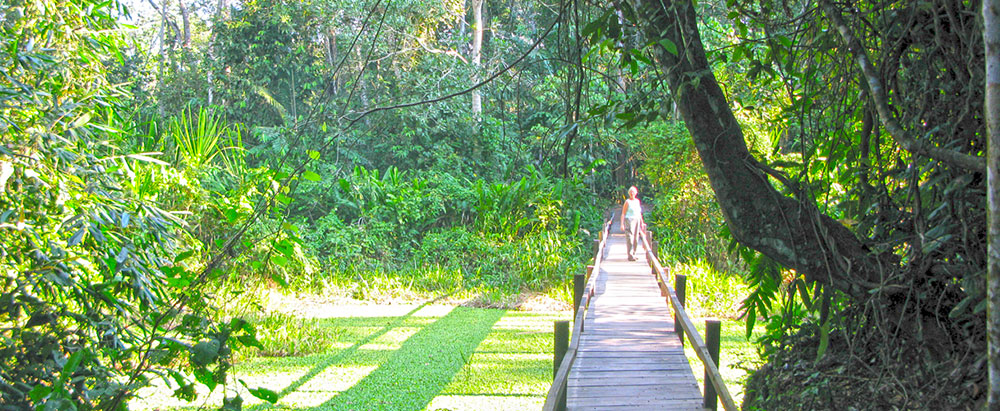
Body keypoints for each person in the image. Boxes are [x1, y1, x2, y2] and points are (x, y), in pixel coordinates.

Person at [620, 186, 644, 261]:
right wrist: (622, 224)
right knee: (630, 237)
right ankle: (630, 255)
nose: (632, 193)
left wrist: (642, 222)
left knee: (636, 238)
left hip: (637, 219)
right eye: (631, 192)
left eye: (633, 192)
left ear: (636, 193)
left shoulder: (637, 201)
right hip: (629, 220)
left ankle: (634, 253)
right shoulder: (627, 202)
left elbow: (639, 213)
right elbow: (623, 213)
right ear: (629, 193)